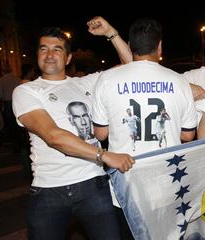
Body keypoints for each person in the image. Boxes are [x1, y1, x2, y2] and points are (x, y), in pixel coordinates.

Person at [12, 16, 135, 240]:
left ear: (68, 57)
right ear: (37, 55)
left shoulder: (85, 83)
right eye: (44, 49)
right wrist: (105, 155)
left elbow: (133, 66)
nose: (49, 54)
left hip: (93, 186)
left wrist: (111, 32)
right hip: (49, 192)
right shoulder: (27, 91)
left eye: (57, 49)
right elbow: (53, 136)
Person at [93, 17, 197, 155]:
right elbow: (187, 135)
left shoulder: (106, 79)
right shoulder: (180, 81)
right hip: (167, 166)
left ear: (129, 46)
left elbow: (101, 134)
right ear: (159, 46)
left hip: (125, 167)